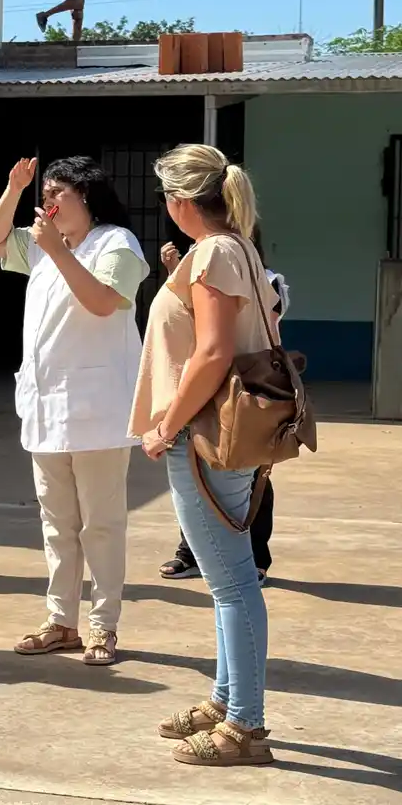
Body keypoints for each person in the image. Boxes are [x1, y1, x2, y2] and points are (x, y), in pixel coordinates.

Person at [132, 143, 277, 767]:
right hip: (216, 433)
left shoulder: (215, 252)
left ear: (180, 201)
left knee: (232, 584)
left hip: (204, 436)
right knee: (227, 581)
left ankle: (244, 726)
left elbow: (214, 352)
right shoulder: (235, 247)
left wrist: (166, 423)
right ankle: (227, 700)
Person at [0, 156, 149, 666]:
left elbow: (103, 302)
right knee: (57, 525)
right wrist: (13, 189)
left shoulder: (117, 243)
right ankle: (62, 621)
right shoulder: (41, 245)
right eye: (45, 193)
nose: (48, 203)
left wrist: (56, 251)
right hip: (45, 407)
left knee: (101, 523)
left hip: (97, 408)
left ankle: (104, 626)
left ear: (87, 198)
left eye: (60, 193)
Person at [158, 228, 290, 587]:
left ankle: (256, 557)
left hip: (248, 392)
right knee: (195, 476)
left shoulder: (269, 281)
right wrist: (176, 271)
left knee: (254, 477)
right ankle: (191, 552)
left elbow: (252, 334)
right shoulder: (202, 271)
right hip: (207, 386)